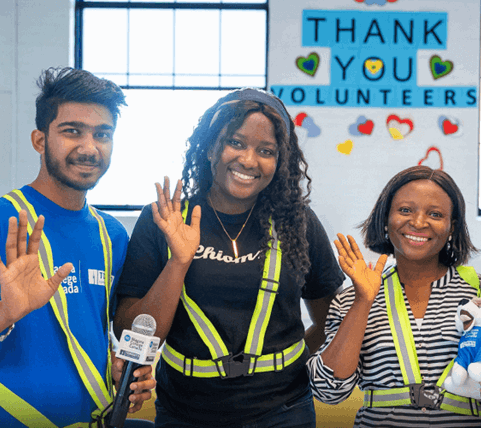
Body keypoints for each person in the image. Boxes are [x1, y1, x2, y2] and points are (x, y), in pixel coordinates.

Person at [114, 88, 344, 427]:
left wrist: (287, 362)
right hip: (186, 412)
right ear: (210, 148)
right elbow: (130, 332)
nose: (249, 160)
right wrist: (178, 263)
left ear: (279, 162)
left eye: (266, 150)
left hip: (284, 412)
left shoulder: (298, 223)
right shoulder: (166, 218)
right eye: (235, 143)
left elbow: (331, 322)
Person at [0, 67, 156, 428]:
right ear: (39, 140)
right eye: (72, 131)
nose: (89, 147)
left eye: (102, 134)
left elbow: (94, 332)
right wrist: (4, 312)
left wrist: (123, 370)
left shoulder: (112, 235)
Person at [308, 165, 481, 427]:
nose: (419, 222)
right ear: (386, 218)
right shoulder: (351, 298)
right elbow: (328, 392)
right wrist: (363, 301)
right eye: (405, 210)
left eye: (435, 214)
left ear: (451, 227)